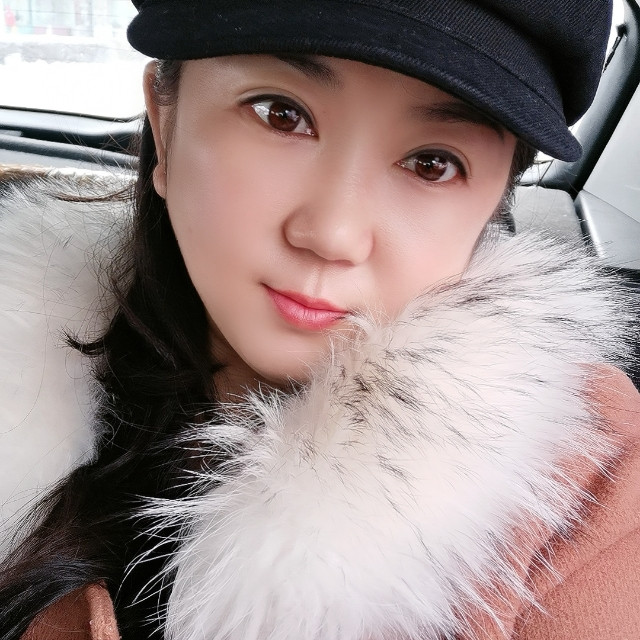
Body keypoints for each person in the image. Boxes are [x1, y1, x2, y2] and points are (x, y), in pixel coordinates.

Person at [0, 1, 639, 638]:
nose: (333, 234)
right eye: (281, 115)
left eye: (432, 163)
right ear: (164, 125)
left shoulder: (589, 480)